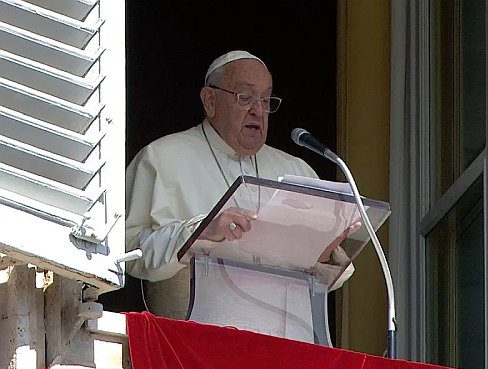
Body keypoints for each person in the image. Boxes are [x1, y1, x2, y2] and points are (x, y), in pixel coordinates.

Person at [125, 50, 353, 342]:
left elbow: (328, 282)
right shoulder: (161, 158)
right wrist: (200, 233)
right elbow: (130, 255)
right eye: (245, 97)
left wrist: (325, 254)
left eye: (266, 100)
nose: (258, 110)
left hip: (290, 349)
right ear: (210, 101)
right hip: (193, 348)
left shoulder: (298, 171)